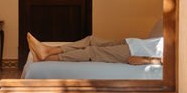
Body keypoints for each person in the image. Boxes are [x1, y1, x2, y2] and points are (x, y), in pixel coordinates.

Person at [27, 33, 163, 65]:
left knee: (92, 52)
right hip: (134, 43)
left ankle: (47, 58)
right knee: (91, 40)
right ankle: (48, 50)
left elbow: (176, 64)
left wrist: (147, 60)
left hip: (137, 53)